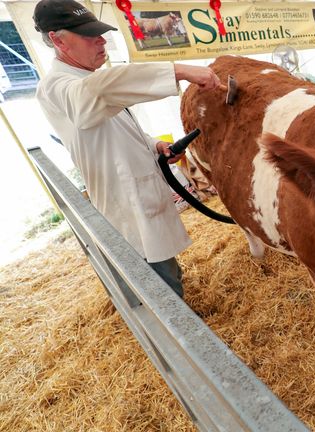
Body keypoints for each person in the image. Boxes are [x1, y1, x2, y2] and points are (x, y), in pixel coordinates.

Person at [33, 0, 221, 298]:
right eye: (88, 36)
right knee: (157, 287)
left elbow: (116, 125)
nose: (101, 40)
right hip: (125, 206)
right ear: (58, 40)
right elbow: (97, 93)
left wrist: (154, 145)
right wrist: (179, 70)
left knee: (167, 271)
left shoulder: (87, 78)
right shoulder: (57, 86)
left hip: (140, 192)